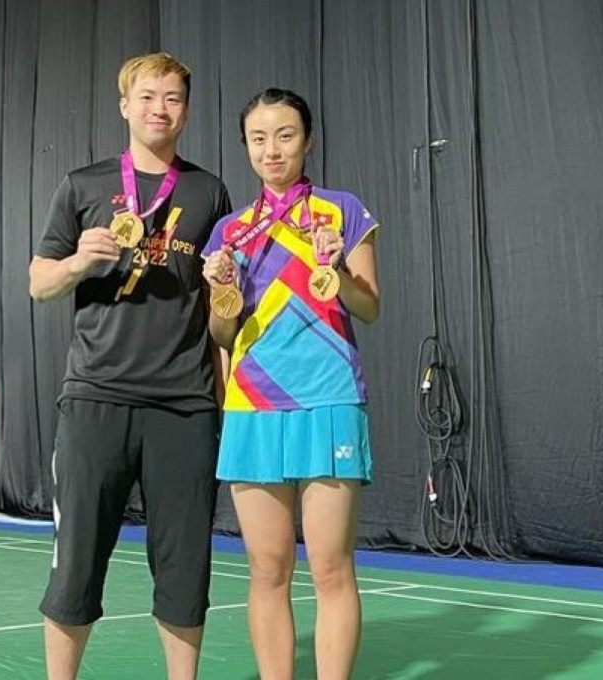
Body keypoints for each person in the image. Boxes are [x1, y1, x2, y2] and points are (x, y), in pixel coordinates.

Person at [29, 52, 231, 680]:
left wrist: (227, 287)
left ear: (186, 109)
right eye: (147, 97)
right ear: (124, 105)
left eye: (172, 98)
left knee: (183, 566)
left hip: (186, 404)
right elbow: (39, 283)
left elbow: (222, 308)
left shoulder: (208, 191)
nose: (159, 109)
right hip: (95, 398)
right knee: (76, 562)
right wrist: (77, 266)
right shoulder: (83, 185)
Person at [201, 88, 381, 679]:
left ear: (307, 139)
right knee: (266, 570)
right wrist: (223, 284)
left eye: (285, 135)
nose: (272, 149)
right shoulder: (230, 230)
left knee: (331, 568)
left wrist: (336, 269)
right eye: (259, 138)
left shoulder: (341, 211)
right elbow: (223, 332)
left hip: (328, 400)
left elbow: (369, 306)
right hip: (252, 405)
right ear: (246, 146)